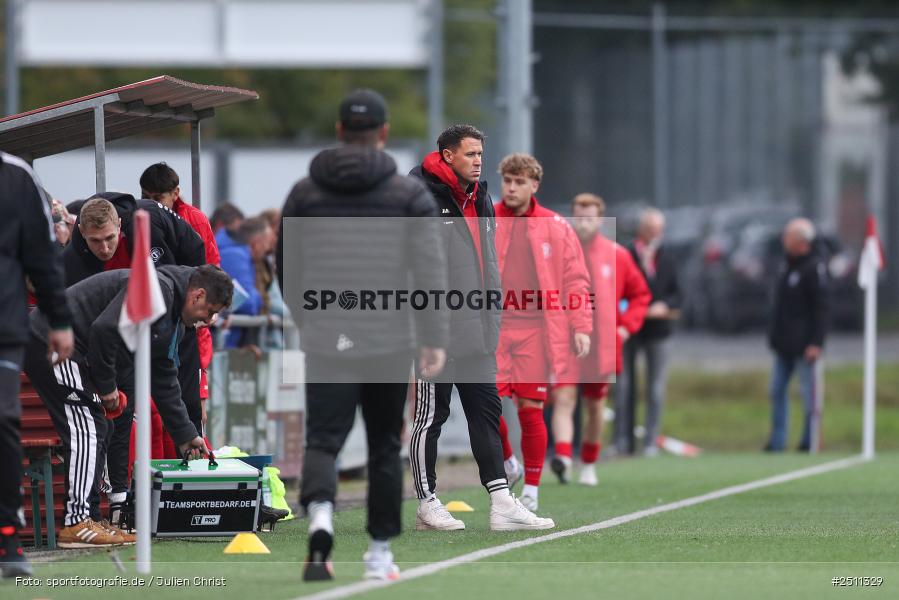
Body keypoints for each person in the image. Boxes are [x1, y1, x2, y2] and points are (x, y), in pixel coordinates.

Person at [277, 89, 449, 582]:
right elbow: (429, 270)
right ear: (384, 133)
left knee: (324, 439)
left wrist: (308, 319)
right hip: (389, 337)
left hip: (328, 336)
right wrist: (432, 335)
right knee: (381, 445)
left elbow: (289, 267)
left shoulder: (305, 192)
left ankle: (322, 519)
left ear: (338, 132)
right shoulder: (407, 194)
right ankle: (378, 553)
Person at [407, 125, 555, 532]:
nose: (478, 161)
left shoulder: (481, 197)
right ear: (448, 155)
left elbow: (488, 264)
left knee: (486, 416)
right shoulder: (415, 195)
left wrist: (493, 319)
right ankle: (426, 501)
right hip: (433, 332)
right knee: (430, 418)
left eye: (480, 154)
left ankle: (502, 501)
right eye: (470, 154)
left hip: (477, 329)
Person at [23, 264, 228, 548]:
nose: (209, 320)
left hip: (71, 347)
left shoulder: (171, 313)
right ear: (197, 296)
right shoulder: (158, 290)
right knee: (89, 428)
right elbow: (105, 330)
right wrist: (107, 388)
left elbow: (164, 376)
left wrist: (186, 434)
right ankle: (77, 522)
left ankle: (90, 519)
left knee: (100, 426)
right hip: (54, 340)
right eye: (211, 311)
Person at [62, 194, 207, 527]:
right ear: (81, 233)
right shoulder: (71, 262)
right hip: (98, 346)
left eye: (110, 238)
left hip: (141, 334)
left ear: (121, 228)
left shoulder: (148, 231)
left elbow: (195, 256)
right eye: (95, 241)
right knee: (103, 421)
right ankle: (95, 510)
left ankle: (121, 501)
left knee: (137, 411)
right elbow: (89, 325)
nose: (104, 247)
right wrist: (106, 381)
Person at [492, 154, 592, 510]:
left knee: (530, 409)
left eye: (520, 182)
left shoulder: (555, 225)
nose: (512, 188)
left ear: (534, 185)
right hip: (495, 326)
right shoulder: (487, 220)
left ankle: (532, 490)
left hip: (535, 328)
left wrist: (581, 326)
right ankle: (508, 462)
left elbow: (575, 279)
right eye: (507, 181)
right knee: (487, 405)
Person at [0, 152, 73, 578]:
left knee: (4, 419)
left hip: (4, 326)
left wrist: (59, 319)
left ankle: (8, 532)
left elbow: (43, 256)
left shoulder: (16, 176)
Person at [551, 193, 650, 485]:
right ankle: (564, 457)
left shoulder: (617, 254)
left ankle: (590, 463)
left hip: (603, 345)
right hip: (567, 341)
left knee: (595, 406)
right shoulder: (560, 253)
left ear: (600, 220)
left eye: (589, 218)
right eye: (578, 217)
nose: (583, 223)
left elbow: (640, 294)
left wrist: (626, 327)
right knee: (564, 397)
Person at [618, 208, 680, 456]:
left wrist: (665, 305)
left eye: (658, 229)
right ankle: (621, 440)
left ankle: (650, 441)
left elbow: (677, 293)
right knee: (623, 386)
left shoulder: (668, 257)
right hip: (630, 329)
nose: (655, 234)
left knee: (655, 389)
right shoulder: (627, 254)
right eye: (650, 228)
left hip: (658, 330)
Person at [765, 218, 829, 452]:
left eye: (788, 236)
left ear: (801, 241)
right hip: (783, 344)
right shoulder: (786, 265)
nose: (784, 240)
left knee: (809, 396)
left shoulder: (814, 268)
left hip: (805, 346)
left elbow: (822, 309)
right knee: (777, 391)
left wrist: (816, 342)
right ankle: (777, 442)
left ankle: (809, 441)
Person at [220, 216, 273, 348]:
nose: (267, 249)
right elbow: (248, 303)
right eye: (266, 243)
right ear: (257, 242)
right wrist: (258, 298)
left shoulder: (243, 256)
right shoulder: (236, 256)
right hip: (225, 344)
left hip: (231, 341)